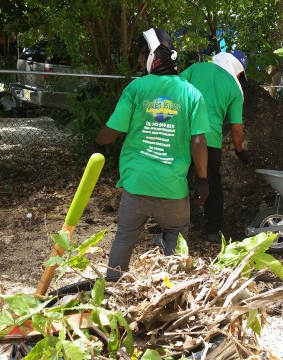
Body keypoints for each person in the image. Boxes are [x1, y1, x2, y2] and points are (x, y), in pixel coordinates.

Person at [90, 28, 210, 281]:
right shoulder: (192, 94)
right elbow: (198, 141)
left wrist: (97, 145)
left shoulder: (136, 89)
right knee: (177, 241)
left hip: (137, 184)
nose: (137, 59)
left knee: (125, 236)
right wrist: (202, 180)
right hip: (172, 188)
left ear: (151, 56)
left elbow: (112, 131)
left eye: (140, 53)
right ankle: (173, 290)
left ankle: (112, 285)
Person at [180, 50, 250, 242]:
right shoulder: (235, 89)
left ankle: (172, 229)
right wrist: (239, 150)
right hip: (210, 141)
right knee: (212, 185)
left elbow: (174, 87)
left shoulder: (196, 68)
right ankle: (212, 230)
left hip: (181, 136)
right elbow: (236, 128)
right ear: (237, 68)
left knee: (178, 180)